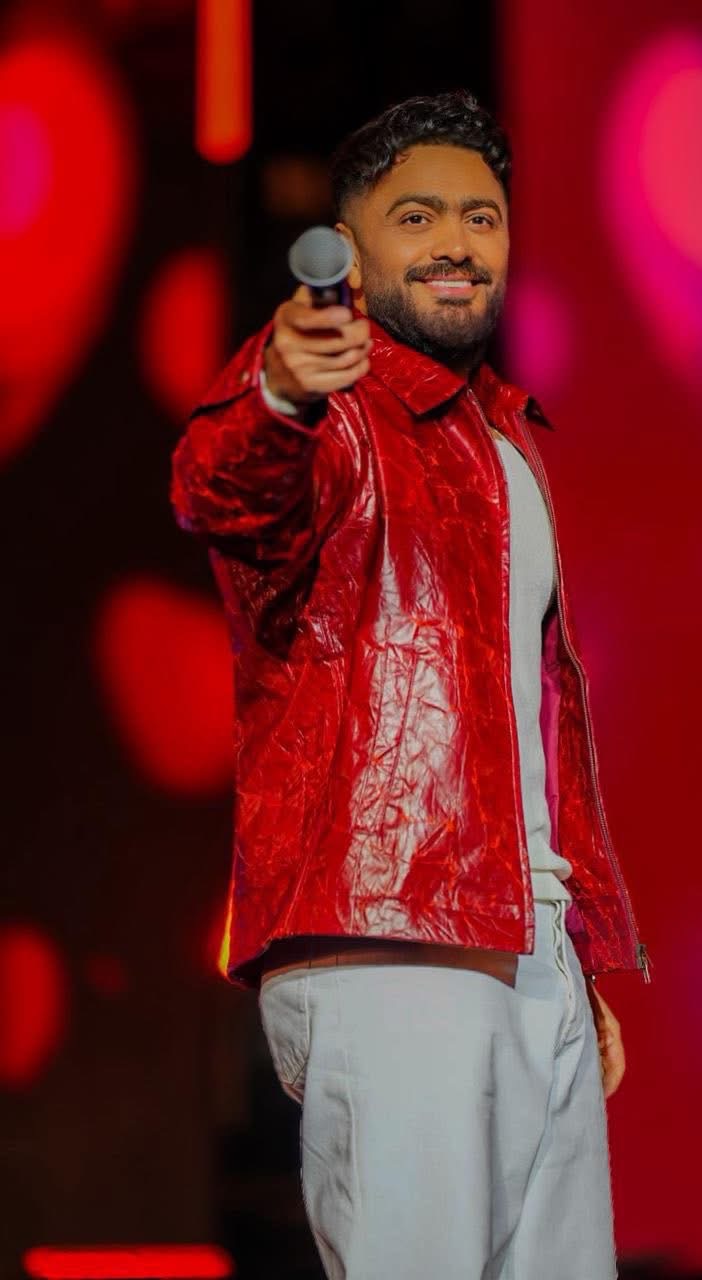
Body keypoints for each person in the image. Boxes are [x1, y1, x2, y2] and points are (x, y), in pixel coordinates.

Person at [171, 89, 651, 1280]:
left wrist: (563, 947)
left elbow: (526, 730)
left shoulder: (504, 438)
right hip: (390, 944)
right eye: (418, 216)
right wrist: (278, 390)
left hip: (524, 949)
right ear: (351, 245)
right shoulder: (332, 411)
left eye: (481, 217)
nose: (456, 243)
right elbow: (222, 485)